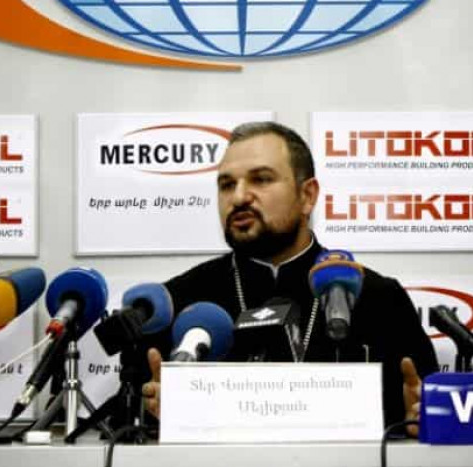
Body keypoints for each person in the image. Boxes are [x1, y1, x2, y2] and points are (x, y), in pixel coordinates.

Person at [142, 121, 438, 436]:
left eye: (261, 179)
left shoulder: (379, 298)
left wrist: (421, 418)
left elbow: (421, 407)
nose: (238, 197)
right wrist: (152, 415)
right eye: (227, 185)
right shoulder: (180, 301)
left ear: (307, 196)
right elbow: (129, 420)